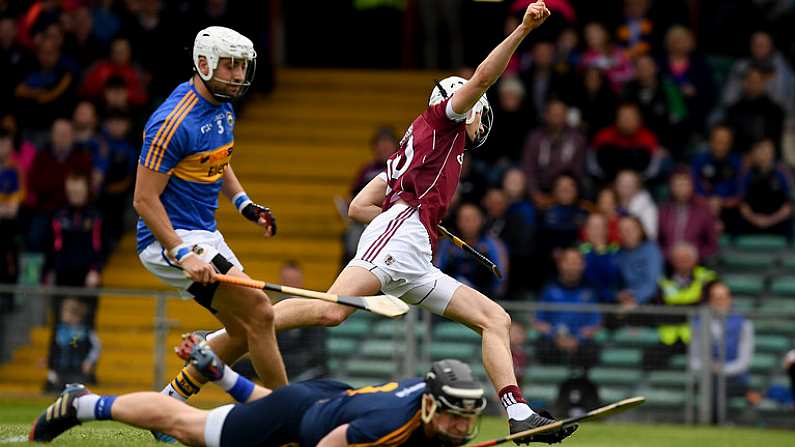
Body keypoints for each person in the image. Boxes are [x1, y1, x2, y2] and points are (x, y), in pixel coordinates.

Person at [192, 3, 573, 443]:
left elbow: (358, 207)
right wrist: (523, 29)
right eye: (478, 109)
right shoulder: (444, 120)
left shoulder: (419, 146)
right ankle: (223, 335)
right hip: (402, 235)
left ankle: (519, 413)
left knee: (495, 318)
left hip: (413, 248)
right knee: (332, 310)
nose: (480, 116)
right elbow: (484, 77)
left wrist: (416, 216)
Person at [132, 26, 287, 441]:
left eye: (242, 66)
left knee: (240, 331)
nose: (238, 75)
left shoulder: (223, 106)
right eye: (230, 65)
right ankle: (287, 414)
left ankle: (166, 406)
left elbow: (220, 160)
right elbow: (144, 201)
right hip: (169, 239)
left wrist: (244, 204)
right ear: (204, 64)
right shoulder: (171, 121)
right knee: (261, 312)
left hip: (205, 233)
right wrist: (182, 253)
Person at [31, 342, 524, 446]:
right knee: (184, 427)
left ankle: (219, 373)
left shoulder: (427, 402)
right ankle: (82, 403)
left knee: (275, 404)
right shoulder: (386, 425)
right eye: (456, 418)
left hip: (327, 400)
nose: (463, 427)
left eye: (468, 419)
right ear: (432, 405)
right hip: (306, 428)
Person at [644, 242, 717, 370]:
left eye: (686, 259)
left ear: (694, 260)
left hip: (696, 335)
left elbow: (704, 306)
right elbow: (658, 309)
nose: (682, 262)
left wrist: (673, 309)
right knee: (649, 357)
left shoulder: (706, 278)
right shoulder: (664, 281)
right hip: (669, 337)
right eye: (678, 259)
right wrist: (688, 309)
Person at [689, 282, 754, 424]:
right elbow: (693, 359)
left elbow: (744, 362)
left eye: (723, 298)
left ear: (730, 299)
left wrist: (722, 370)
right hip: (706, 377)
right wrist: (709, 369)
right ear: (709, 300)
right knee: (712, 382)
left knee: (717, 384)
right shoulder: (698, 323)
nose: (719, 302)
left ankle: (714, 421)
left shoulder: (744, 324)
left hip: (735, 379)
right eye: (715, 298)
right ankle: (718, 421)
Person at [533, 247, 601, 368]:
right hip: (554, 343)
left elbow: (595, 323)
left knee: (591, 349)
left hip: (580, 346)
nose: (572, 267)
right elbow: (539, 321)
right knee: (542, 345)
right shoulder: (549, 290)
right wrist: (556, 337)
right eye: (569, 262)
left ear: (583, 265)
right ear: (560, 264)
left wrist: (578, 339)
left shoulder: (589, 293)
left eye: (576, 263)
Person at [520, 99, 587, 208]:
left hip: (566, 189)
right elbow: (528, 169)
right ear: (546, 115)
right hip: (539, 188)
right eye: (553, 113)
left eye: (560, 113)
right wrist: (535, 193)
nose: (556, 116)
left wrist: (557, 196)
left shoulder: (577, 139)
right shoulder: (534, 138)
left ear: (566, 116)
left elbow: (578, 171)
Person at [435, 203, 508, 299]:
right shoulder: (447, 243)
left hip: (484, 299)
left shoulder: (492, 244)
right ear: (457, 221)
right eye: (464, 219)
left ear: (482, 220)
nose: (468, 223)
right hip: (450, 298)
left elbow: (500, 277)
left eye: (473, 219)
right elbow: (437, 270)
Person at [657, 169, 718, 263]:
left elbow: (712, 246)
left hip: (697, 264)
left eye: (685, 184)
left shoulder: (703, 210)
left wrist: (691, 255)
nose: (681, 188)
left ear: (692, 186)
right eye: (677, 184)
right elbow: (658, 243)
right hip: (668, 264)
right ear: (671, 187)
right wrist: (671, 255)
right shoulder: (663, 211)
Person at [591, 104, 662, 182]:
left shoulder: (648, 138)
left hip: (641, 182)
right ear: (616, 119)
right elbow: (594, 165)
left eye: (631, 117)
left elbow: (653, 168)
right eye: (623, 117)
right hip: (606, 182)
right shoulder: (603, 136)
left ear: (639, 120)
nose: (627, 121)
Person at [691, 124, 742, 232]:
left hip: (728, 210)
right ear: (711, 141)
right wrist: (708, 202)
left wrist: (721, 202)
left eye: (725, 141)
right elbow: (693, 190)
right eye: (718, 140)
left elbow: (740, 194)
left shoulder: (737, 163)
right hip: (702, 208)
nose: (721, 144)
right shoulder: (699, 161)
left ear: (730, 143)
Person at [738, 139, 793, 239]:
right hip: (753, 220)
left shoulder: (782, 173)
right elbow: (743, 206)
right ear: (756, 152)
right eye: (761, 150)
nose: (765, 153)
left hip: (776, 220)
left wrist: (769, 220)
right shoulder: (747, 174)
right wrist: (756, 220)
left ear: (773, 153)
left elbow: (788, 208)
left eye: (768, 150)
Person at [44, 297, 100, 393]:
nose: (63, 314)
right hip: (60, 368)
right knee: (58, 395)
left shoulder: (83, 331)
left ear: (76, 315)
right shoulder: (59, 330)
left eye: (66, 312)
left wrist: (89, 362)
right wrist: (50, 365)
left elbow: (94, 347)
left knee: (74, 395)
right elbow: (54, 349)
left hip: (76, 370)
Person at [725, 65, 785, 154]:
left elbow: (774, 142)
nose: (753, 84)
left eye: (757, 80)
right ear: (744, 82)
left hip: (764, 156)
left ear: (763, 82)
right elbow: (730, 140)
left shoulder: (775, 111)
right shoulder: (734, 109)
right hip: (737, 157)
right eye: (750, 80)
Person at [615, 216, 663, 308]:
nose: (627, 234)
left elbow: (654, 283)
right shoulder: (619, 253)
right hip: (625, 300)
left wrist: (635, 299)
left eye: (630, 230)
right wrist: (619, 295)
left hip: (649, 302)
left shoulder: (651, 250)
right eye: (622, 231)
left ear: (640, 230)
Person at [579, 213, 622, 303]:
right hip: (585, 303)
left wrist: (601, 251)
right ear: (586, 230)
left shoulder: (616, 250)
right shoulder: (579, 252)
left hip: (613, 303)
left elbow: (616, 277)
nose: (596, 231)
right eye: (592, 227)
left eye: (599, 227)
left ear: (606, 230)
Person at [615, 169, 657, 239]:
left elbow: (651, 235)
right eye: (622, 183)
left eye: (629, 184)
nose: (625, 186)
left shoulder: (647, 208)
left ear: (637, 187)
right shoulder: (612, 203)